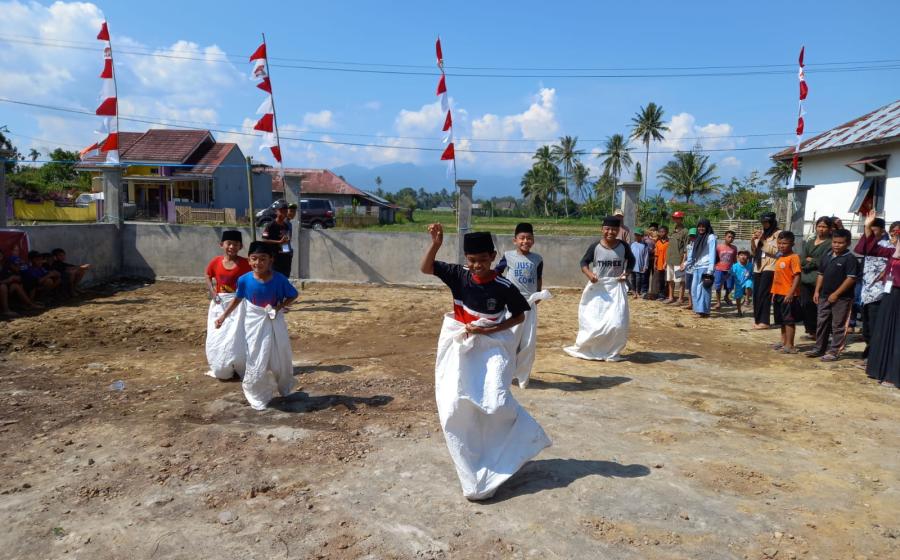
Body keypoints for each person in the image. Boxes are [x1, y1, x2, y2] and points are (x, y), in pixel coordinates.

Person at [421, 224, 550, 501]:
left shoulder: (503, 286)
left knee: (496, 401)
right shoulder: (458, 275)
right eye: (471, 260)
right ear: (466, 259)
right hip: (461, 346)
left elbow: (519, 315)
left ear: (492, 257)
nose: (477, 265)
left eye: (482, 259)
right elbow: (426, 268)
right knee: (456, 405)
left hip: (492, 347)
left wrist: (488, 330)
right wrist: (436, 244)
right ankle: (474, 467)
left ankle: (520, 441)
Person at [215, 241, 298, 410]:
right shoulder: (244, 280)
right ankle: (257, 392)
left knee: (280, 355)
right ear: (249, 260)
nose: (258, 263)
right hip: (253, 322)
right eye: (254, 258)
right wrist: (223, 316)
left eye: (263, 259)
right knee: (255, 356)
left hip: (274, 321)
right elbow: (238, 299)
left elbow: (293, 294)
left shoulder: (279, 279)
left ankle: (283, 384)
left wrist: (279, 307)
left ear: (271, 260)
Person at [565, 216, 635, 362]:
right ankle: (591, 349)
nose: (610, 232)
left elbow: (632, 261)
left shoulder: (623, 246)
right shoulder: (595, 247)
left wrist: (626, 273)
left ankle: (610, 351)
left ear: (618, 230)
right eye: (607, 229)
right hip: (598, 289)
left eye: (614, 229)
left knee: (617, 323)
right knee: (595, 322)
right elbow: (584, 262)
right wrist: (590, 274)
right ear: (602, 229)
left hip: (616, 288)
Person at [495, 222, 550, 388]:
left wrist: (538, 294)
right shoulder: (508, 256)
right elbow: (497, 273)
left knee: (528, 342)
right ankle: (504, 373)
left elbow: (538, 278)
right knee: (510, 340)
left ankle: (522, 377)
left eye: (529, 238)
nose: (525, 241)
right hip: (512, 304)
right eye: (522, 238)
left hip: (530, 304)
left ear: (533, 240)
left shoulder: (538, 259)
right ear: (515, 240)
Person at [205, 230, 252, 380]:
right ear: (221, 245)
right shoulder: (216, 262)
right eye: (229, 243)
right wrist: (212, 291)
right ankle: (222, 365)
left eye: (236, 244)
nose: (232, 247)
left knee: (238, 335)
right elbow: (208, 275)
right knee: (219, 335)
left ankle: (241, 365)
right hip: (219, 304)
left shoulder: (246, 263)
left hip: (239, 304)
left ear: (241, 246)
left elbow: (257, 277)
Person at [806, 229, 858, 362]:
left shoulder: (850, 259)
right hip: (824, 295)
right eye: (834, 242)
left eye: (840, 243)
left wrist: (836, 294)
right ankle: (819, 348)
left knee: (838, 325)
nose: (836, 245)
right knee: (822, 322)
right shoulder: (827, 255)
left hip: (842, 298)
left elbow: (851, 279)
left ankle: (834, 351)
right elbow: (821, 274)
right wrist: (817, 291)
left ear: (848, 243)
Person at [854, 211, 894, 364]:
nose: (870, 233)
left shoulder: (889, 247)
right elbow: (860, 249)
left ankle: (873, 356)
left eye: (873, 230)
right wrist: (867, 227)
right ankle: (870, 352)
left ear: (883, 231)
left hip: (880, 292)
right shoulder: (870, 245)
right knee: (867, 327)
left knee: (875, 326)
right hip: (866, 292)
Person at [865, 231, 900, 387]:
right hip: (890, 295)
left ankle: (893, 375)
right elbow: (868, 249)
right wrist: (869, 229)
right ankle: (880, 370)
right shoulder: (893, 252)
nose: (894, 240)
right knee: (885, 331)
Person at [798, 217, 833, 339]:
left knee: (821, 307)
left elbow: (824, 261)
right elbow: (802, 260)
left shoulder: (830, 244)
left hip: (820, 279)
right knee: (806, 305)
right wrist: (810, 261)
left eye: (824, 227)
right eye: (819, 226)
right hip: (805, 279)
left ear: (829, 229)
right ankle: (812, 331)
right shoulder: (809, 242)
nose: (821, 229)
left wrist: (810, 260)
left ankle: (823, 333)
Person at [770, 231, 803, 353]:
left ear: (792, 244)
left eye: (784, 243)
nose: (781, 246)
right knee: (782, 320)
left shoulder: (794, 257)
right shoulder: (780, 257)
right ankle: (783, 342)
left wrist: (791, 293)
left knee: (789, 320)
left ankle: (790, 345)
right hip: (778, 293)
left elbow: (797, 276)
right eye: (779, 243)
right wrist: (774, 292)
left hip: (788, 294)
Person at [750, 212, 782, 329]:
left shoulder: (779, 234)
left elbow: (778, 252)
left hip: (770, 266)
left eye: (767, 222)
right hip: (758, 266)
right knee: (756, 294)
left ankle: (764, 321)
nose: (764, 224)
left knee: (764, 294)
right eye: (763, 222)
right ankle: (758, 320)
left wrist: (762, 242)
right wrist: (753, 241)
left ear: (772, 222)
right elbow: (754, 252)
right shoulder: (762, 233)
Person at [686, 220, 717, 317]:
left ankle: (703, 311)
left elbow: (712, 253)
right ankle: (697, 309)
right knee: (694, 289)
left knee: (703, 289)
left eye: (703, 226)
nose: (701, 228)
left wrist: (710, 270)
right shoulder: (697, 237)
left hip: (706, 266)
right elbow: (692, 253)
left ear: (707, 227)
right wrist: (686, 263)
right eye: (699, 226)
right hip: (696, 266)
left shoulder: (711, 237)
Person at [0, 250, 39, 318]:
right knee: (3, 286)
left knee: (17, 284)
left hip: (6, 286)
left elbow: (15, 276)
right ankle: (6, 310)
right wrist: (9, 279)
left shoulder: (4, 266)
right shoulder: (5, 267)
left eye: (0, 254)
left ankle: (29, 304)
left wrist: (14, 278)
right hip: (3, 286)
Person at [261, 200, 293, 277]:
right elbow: (264, 240)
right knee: (274, 278)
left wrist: (288, 251)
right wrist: (278, 242)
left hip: (285, 258)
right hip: (274, 258)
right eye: (281, 211)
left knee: (284, 278)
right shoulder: (270, 225)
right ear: (276, 212)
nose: (283, 213)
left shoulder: (286, 226)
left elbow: (286, 240)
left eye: (285, 211)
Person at [665, 211, 689, 304]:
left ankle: (680, 299)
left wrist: (683, 261)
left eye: (677, 218)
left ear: (681, 219)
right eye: (674, 217)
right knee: (670, 279)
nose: (675, 219)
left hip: (679, 260)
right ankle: (671, 297)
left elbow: (686, 248)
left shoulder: (685, 231)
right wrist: (666, 260)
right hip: (670, 259)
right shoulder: (673, 230)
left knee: (680, 280)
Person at [714, 230, 738, 309]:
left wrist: (736, 268)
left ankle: (726, 296)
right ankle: (718, 302)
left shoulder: (734, 248)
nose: (731, 239)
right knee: (718, 286)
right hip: (719, 269)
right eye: (729, 237)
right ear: (725, 237)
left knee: (730, 286)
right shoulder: (718, 247)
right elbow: (715, 258)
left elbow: (735, 259)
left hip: (729, 270)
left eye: (732, 237)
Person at [731, 250, 753, 317]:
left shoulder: (751, 265)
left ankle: (747, 299)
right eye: (741, 255)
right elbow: (730, 275)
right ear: (738, 257)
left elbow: (754, 274)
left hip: (747, 280)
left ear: (748, 257)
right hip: (738, 284)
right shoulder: (735, 266)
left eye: (745, 255)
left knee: (749, 283)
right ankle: (739, 311)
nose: (743, 257)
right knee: (738, 297)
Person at [629, 228, 649, 298]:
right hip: (632, 265)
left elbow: (646, 256)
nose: (637, 236)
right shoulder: (632, 244)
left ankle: (638, 291)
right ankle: (633, 291)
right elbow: (630, 255)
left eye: (638, 235)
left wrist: (645, 266)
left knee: (639, 279)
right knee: (632, 278)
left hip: (640, 265)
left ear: (642, 236)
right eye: (636, 235)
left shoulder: (645, 245)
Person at [683, 228, 697, 310]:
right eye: (691, 236)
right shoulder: (688, 246)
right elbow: (686, 256)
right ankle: (690, 303)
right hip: (688, 269)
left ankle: (695, 304)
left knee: (695, 287)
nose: (692, 238)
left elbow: (692, 258)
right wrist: (683, 263)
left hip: (696, 269)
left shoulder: (699, 246)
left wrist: (685, 264)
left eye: (694, 236)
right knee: (689, 287)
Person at [654, 225, 670, 300]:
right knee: (660, 279)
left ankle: (667, 294)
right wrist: (655, 263)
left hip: (668, 264)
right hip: (660, 264)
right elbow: (656, 254)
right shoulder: (658, 243)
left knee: (668, 279)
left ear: (667, 232)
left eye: (663, 232)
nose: (661, 233)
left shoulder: (669, 242)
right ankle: (661, 294)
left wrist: (666, 263)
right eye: (660, 232)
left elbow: (670, 254)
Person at [644, 223, 659, 299]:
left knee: (655, 276)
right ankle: (645, 291)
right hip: (647, 259)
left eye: (655, 230)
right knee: (646, 275)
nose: (653, 231)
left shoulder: (658, 239)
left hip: (656, 260)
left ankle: (654, 291)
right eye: (651, 230)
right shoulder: (645, 239)